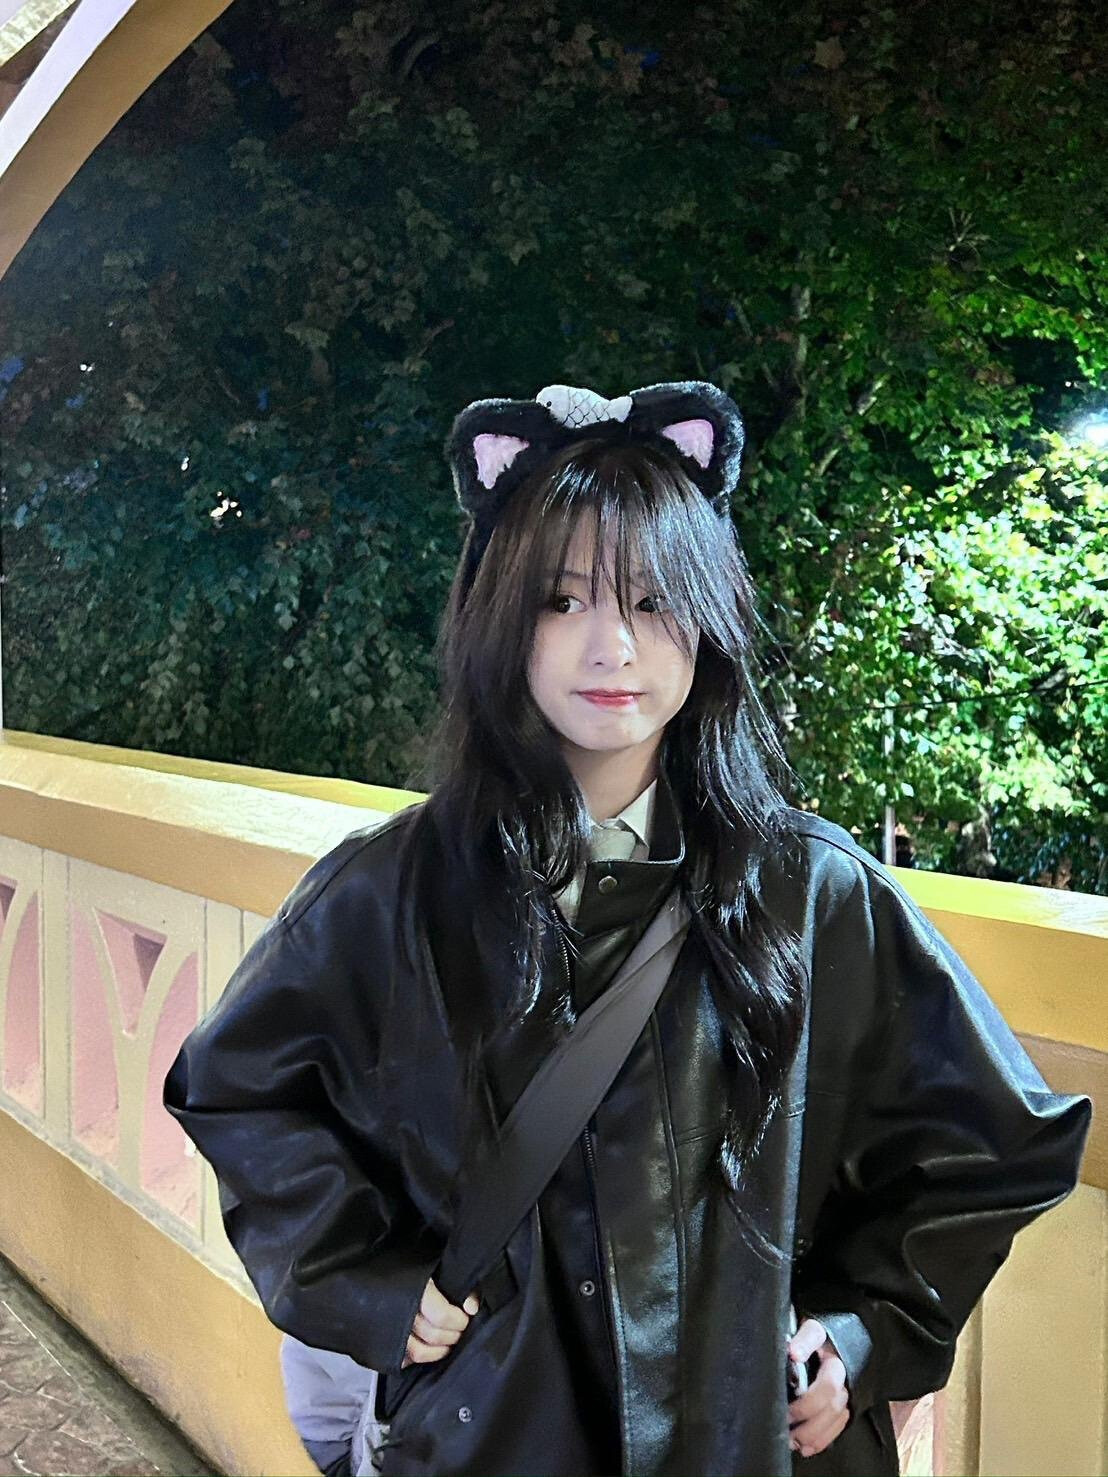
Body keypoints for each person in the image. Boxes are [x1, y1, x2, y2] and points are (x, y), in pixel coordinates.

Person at [164, 379, 1091, 1477]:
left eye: (653, 602)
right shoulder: (392, 890)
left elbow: (998, 1140)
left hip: (746, 1441)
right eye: (561, 601)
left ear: (707, 619)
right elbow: (239, 1087)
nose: (612, 646)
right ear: (499, 618)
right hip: (490, 1439)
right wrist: (367, 1280)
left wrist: (859, 1331)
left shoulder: (812, 891)